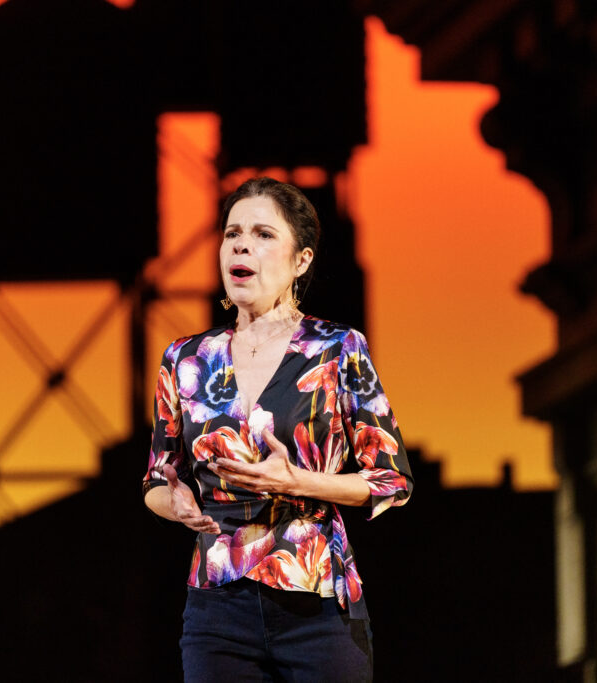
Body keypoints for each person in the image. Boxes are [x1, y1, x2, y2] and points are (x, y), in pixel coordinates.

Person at [143, 177, 412, 682]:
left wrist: (298, 482)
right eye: (232, 233)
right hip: (217, 606)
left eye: (263, 234)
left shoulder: (337, 349)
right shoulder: (185, 359)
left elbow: (391, 480)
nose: (241, 245)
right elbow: (158, 479)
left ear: (301, 261)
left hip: (316, 602)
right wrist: (175, 505)